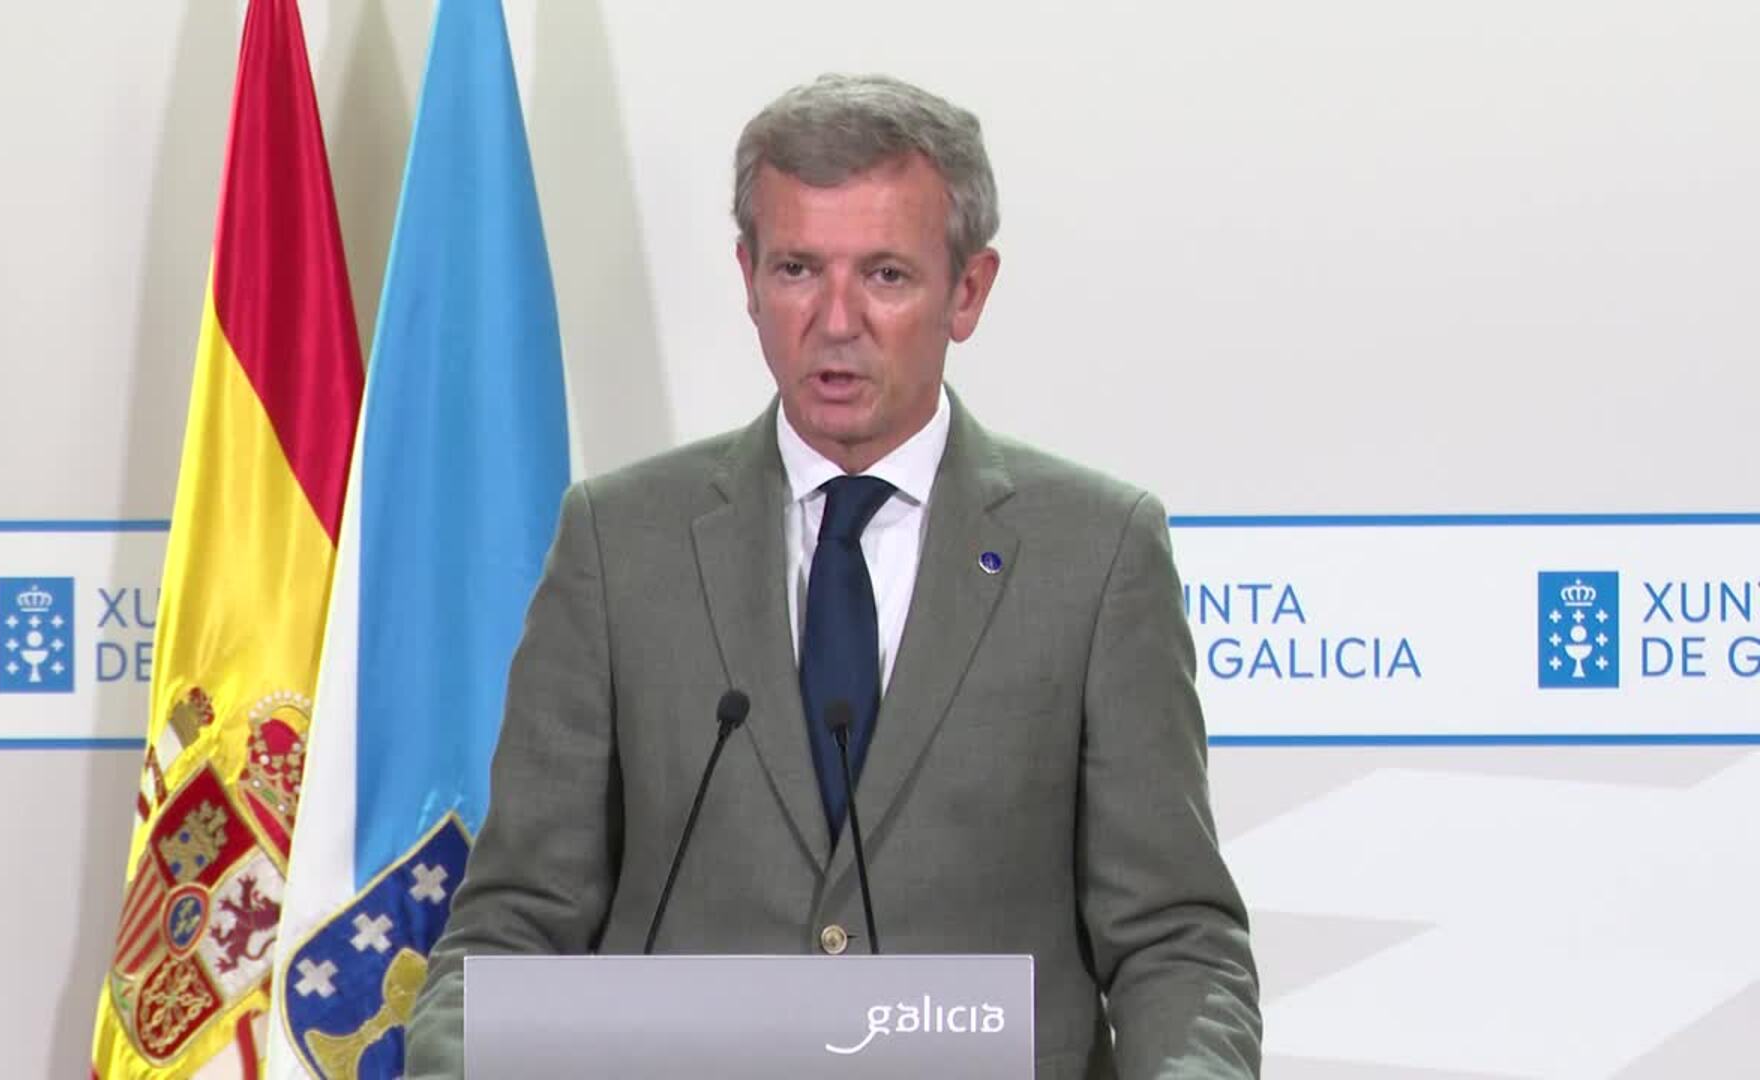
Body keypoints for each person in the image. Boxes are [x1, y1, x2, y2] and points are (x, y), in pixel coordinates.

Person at [406, 73, 1260, 1079]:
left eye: (887, 275)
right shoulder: (620, 544)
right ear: (748, 277)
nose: (837, 319)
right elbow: (512, 930)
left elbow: (1175, 943)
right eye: (799, 269)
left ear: (969, 291)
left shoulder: (1097, 552)